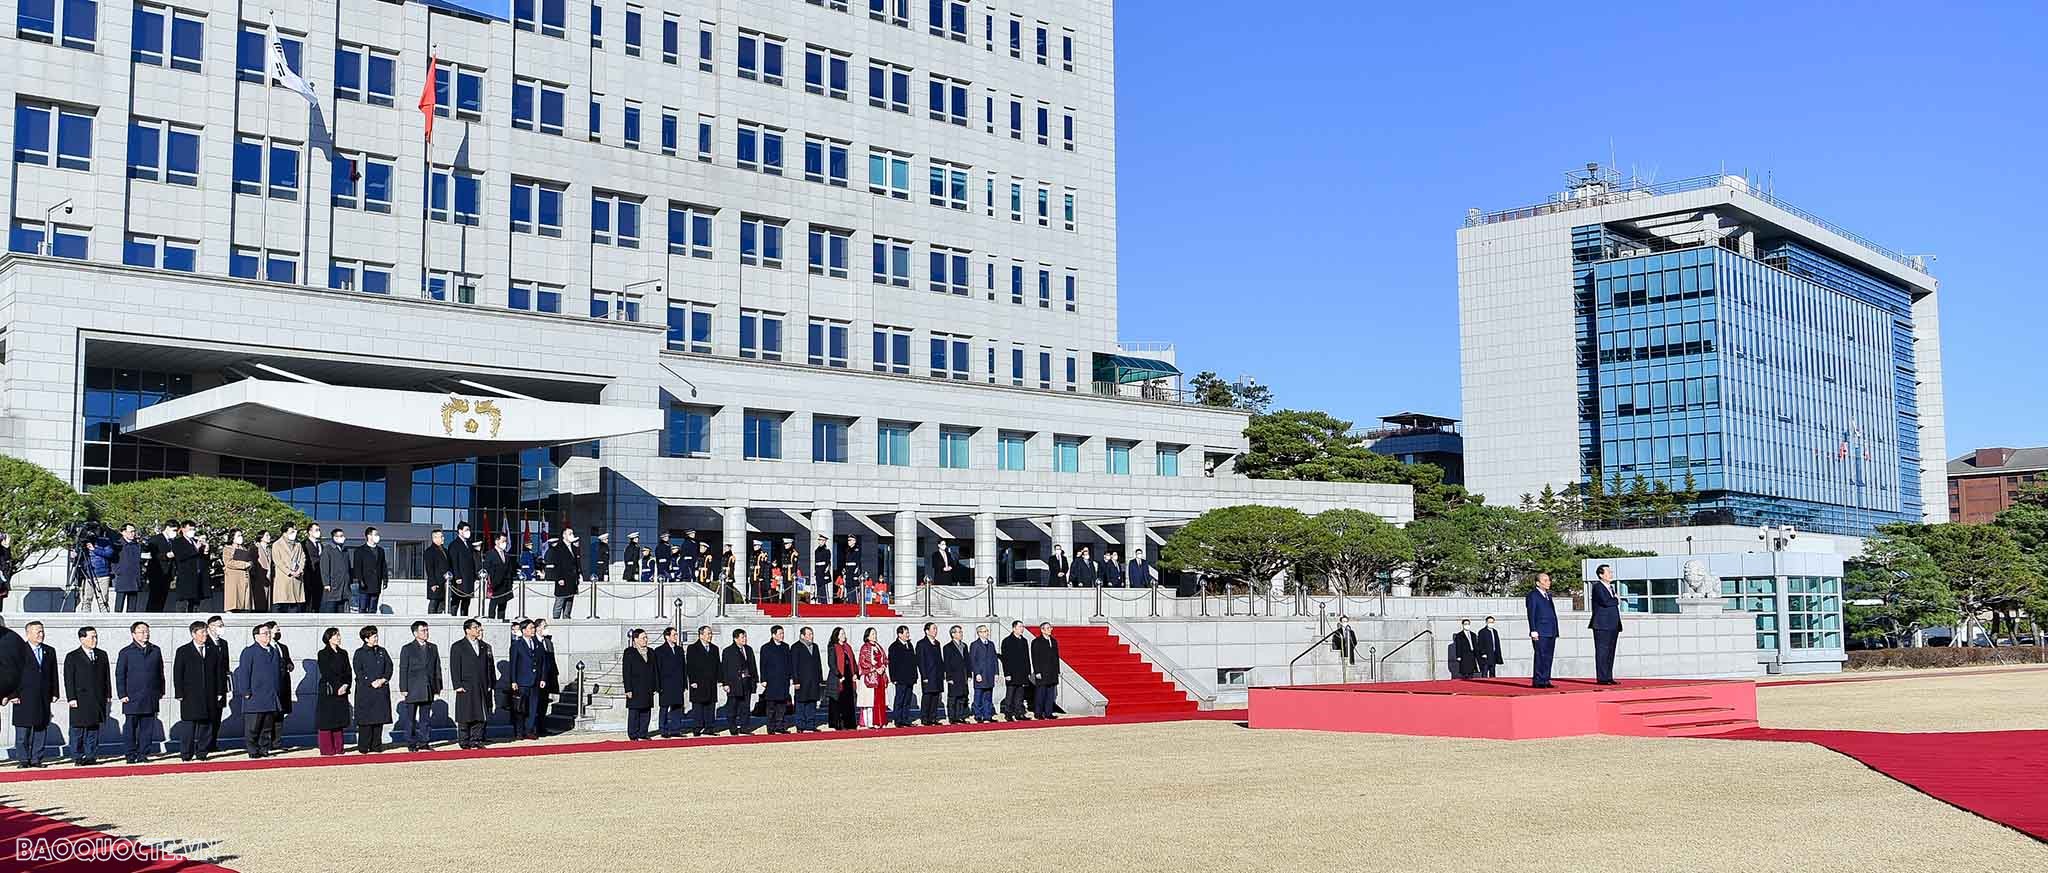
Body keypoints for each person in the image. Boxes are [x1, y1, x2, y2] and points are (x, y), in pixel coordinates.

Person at [172, 621, 225, 761]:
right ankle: (186, 754)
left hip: (209, 693)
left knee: (206, 725)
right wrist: (179, 693)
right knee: (189, 726)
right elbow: (178, 673)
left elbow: (219, 672)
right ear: (193, 634)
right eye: (202, 632)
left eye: (206, 632)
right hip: (190, 695)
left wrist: (220, 691)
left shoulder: (213, 650)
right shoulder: (183, 650)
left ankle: (202, 752)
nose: (205, 635)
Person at [232, 622, 284, 758]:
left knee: (267, 726)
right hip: (254, 695)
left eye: (269, 633)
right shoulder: (249, 651)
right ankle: (253, 750)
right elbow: (244, 673)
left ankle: (264, 748)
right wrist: (246, 691)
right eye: (265, 633)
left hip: (270, 696)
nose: (268, 636)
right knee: (253, 727)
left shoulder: (273, 651)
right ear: (256, 636)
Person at [115, 621, 163, 762]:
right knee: (130, 728)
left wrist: (160, 691)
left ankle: (143, 754)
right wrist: (122, 694)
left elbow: (160, 672)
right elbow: (120, 674)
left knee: (147, 728)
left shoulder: (155, 650)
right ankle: (130, 755)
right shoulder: (126, 652)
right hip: (132, 697)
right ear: (133, 634)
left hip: (150, 696)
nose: (145, 634)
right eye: (141, 631)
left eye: (147, 631)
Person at [64, 626, 110, 765]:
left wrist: (107, 694)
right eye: (91, 637)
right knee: (77, 729)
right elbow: (68, 679)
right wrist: (71, 698)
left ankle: (91, 756)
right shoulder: (72, 656)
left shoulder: (102, 655)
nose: (95, 640)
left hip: (97, 698)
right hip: (79, 698)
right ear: (82, 638)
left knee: (93, 728)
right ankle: (77, 756)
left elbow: (106, 677)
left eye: (96, 636)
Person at [449, 619, 494, 749]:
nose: (478, 630)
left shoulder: (484, 646)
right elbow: (455, 667)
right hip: (466, 685)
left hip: (482, 684)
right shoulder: (458, 646)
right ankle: (464, 740)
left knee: (480, 713)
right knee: (465, 713)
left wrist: (490, 682)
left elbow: (488, 666)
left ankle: (477, 739)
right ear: (467, 630)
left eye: (479, 627)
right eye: (475, 627)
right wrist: (457, 684)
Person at [398, 620, 441, 751]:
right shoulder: (407, 648)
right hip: (412, 688)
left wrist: (438, 686)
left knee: (425, 718)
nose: (426, 633)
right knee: (410, 719)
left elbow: (436, 668)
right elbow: (403, 668)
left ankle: (424, 741)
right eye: (423, 630)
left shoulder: (433, 647)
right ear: (415, 633)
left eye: (427, 630)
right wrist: (403, 688)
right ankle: (411, 743)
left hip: (428, 687)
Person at [352, 626, 393, 754]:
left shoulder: (382, 651)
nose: (376, 638)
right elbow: (358, 671)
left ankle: (376, 746)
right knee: (366, 721)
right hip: (366, 691)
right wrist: (371, 682)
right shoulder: (359, 653)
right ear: (366, 639)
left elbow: (389, 667)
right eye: (373, 636)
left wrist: (383, 679)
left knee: (379, 719)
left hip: (381, 690)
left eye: (376, 635)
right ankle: (364, 747)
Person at [314, 628, 351, 755]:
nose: (339, 637)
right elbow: (326, 672)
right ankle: (327, 749)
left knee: (339, 719)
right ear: (329, 638)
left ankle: (339, 748)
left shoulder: (343, 653)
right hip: (329, 691)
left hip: (343, 690)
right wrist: (338, 687)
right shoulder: (322, 653)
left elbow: (348, 671)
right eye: (336, 635)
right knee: (327, 720)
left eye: (339, 635)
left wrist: (346, 685)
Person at [508, 620, 545, 740]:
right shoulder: (517, 645)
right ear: (524, 630)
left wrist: (543, 678)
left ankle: (529, 730)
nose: (533, 630)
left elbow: (543, 662)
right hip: (522, 681)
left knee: (533, 707)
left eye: (534, 628)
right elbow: (513, 664)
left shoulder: (538, 644)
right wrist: (513, 681)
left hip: (535, 681)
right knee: (520, 708)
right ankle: (519, 731)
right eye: (530, 628)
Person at [685, 626, 721, 736]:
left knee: (710, 705)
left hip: (711, 682)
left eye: (711, 633)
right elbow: (690, 666)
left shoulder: (714, 648)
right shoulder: (692, 648)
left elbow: (718, 665)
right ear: (701, 635)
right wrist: (692, 681)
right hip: (698, 682)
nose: (710, 636)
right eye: (708, 633)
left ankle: (709, 727)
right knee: (698, 705)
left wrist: (720, 679)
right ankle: (697, 727)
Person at [1590, 564, 1623, 685]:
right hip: (1602, 625)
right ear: (1601, 575)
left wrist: (1614, 599)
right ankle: (1602, 678)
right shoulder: (1598, 587)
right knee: (1602, 652)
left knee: (1610, 652)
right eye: (1608, 572)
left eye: (1611, 572)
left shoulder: (1611, 588)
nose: (1611, 574)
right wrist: (1616, 600)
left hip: (1613, 624)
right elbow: (1606, 602)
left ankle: (1608, 676)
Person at [720, 628, 757, 735]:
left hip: (747, 682)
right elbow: (724, 668)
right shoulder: (728, 651)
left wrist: (755, 679)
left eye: (745, 636)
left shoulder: (748, 649)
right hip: (734, 683)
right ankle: (733, 727)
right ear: (736, 638)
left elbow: (753, 666)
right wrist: (725, 683)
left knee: (745, 707)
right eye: (742, 637)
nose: (745, 639)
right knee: (732, 707)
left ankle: (745, 727)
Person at [1525, 572, 1559, 689]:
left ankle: (1545, 679)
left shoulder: (1548, 595)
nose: (1548, 582)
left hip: (1551, 630)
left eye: (1548, 580)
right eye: (1545, 580)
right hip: (1540, 630)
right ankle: (1538, 680)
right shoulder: (1533, 595)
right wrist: (1533, 629)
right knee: (1541, 655)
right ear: (1538, 583)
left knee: (1548, 656)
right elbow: (1531, 613)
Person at [620, 629, 655, 740]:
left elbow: (654, 670)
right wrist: (628, 689)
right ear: (635, 639)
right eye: (643, 638)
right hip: (634, 687)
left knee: (646, 711)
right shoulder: (629, 652)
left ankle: (643, 733)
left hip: (648, 687)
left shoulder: (651, 651)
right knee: (634, 711)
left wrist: (655, 686)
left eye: (646, 637)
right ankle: (633, 734)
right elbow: (626, 672)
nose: (646, 640)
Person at [654, 626, 688, 738]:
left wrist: (684, 684)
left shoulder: (679, 650)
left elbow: (683, 667)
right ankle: (663, 730)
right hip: (665, 684)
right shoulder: (659, 650)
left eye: (676, 635)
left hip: (678, 684)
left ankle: (675, 729)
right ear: (667, 636)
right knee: (664, 707)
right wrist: (658, 686)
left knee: (677, 707)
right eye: (674, 635)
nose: (676, 637)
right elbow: (657, 669)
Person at [759, 625, 793, 734]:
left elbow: (789, 664)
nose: (782, 635)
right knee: (771, 706)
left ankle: (780, 726)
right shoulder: (766, 647)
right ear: (773, 635)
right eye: (779, 633)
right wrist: (763, 679)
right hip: (771, 681)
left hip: (783, 680)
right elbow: (762, 664)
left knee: (782, 706)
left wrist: (791, 677)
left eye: (783, 633)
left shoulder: (786, 647)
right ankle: (771, 727)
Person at [790, 626, 825, 732]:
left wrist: (820, 679)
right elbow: (794, 665)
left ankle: (811, 724)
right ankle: (800, 725)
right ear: (802, 635)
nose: (811, 636)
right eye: (809, 634)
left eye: (812, 634)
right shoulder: (796, 647)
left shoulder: (815, 646)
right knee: (801, 703)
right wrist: (795, 680)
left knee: (812, 702)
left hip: (813, 680)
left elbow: (818, 664)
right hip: (801, 681)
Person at [999, 621, 1033, 721]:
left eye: (1022, 627)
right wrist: (1007, 674)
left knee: (1020, 694)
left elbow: (1027, 657)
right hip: (1011, 673)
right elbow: (1005, 659)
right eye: (1019, 627)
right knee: (1010, 694)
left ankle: (1019, 713)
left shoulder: (1024, 641)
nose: (1022, 628)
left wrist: (1028, 671)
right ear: (1014, 628)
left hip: (1022, 673)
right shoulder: (1007, 641)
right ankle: (1008, 714)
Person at [546, 527, 583, 620]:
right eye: (569, 534)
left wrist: (579, 575)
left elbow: (576, 563)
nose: (572, 535)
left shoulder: (574, 548)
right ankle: (556, 619)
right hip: (562, 579)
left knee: (570, 600)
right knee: (560, 600)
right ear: (564, 535)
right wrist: (559, 578)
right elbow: (557, 565)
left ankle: (567, 618)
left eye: (572, 533)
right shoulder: (558, 548)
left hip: (572, 579)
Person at [172, 521, 209, 611]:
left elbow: (203, 559)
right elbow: (181, 556)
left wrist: (206, 550)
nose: (192, 531)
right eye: (190, 529)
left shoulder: (195, 541)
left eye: (193, 529)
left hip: (197, 575)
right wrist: (196, 548)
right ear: (183, 529)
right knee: (183, 602)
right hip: (186, 575)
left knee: (196, 603)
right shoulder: (178, 542)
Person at [825, 628, 858, 730]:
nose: (844, 635)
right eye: (841, 633)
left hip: (848, 677)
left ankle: (850, 723)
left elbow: (853, 661)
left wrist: (856, 673)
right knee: (838, 702)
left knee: (849, 701)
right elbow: (832, 664)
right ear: (837, 635)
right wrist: (839, 675)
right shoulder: (833, 647)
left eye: (844, 633)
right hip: (838, 679)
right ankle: (839, 723)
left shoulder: (848, 647)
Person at [886, 625, 918, 728]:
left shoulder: (910, 645)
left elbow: (913, 661)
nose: (908, 635)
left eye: (908, 632)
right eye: (906, 633)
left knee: (907, 700)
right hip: (900, 678)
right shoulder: (894, 647)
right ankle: (898, 720)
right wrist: (893, 678)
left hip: (910, 677)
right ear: (900, 634)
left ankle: (905, 719)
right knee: (900, 699)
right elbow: (892, 664)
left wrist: (915, 676)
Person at [270, 524, 307, 614]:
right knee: (282, 603)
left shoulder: (298, 544)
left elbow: (303, 558)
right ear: (284, 533)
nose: (294, 533)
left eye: (295, 531)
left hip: (297, 578)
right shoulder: (277, 544)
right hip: (284, 578)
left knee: (294, 605)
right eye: (291, 532)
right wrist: (289, 572)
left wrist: (300, 569)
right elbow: (278, 561)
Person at [857, 627, 888, 729]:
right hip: (869, 676)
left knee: (878, 700)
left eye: (875, 634)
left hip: (879, 677)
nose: (875, 636)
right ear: (867, 636)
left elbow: (885, 659)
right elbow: (863, 662)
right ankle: (868, 721)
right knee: (868, 701)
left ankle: (878, 721)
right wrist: (874, 668)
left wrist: (882, 667)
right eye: (872, 634)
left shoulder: (878, 646)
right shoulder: (864, 647)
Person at [353, 528, 389, 614]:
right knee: (363, 608)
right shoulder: (360, 550)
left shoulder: (380, 550)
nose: (377, 536)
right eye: (375, 534)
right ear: (369, 536)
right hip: (365, 584)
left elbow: (383, 565)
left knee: (373, 608)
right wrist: (360, 580)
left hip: (376, 583)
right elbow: (357, 567)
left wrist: (385, 579)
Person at [533, 618, 560, 735]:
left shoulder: (548, 642)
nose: (545, 629)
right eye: (544, 626)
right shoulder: (533, 641)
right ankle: (533, 727)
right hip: (536, 678)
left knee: (544, 703)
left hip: (547, 676)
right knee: (535, 704)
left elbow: (551, 659)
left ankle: (542, 726)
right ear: (537, 628)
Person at [111, 524, 146, 612]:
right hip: (123, 577)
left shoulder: (137, 545)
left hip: (135, 578)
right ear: (123, 532)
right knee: (119, 607)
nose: (133, 534)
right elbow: (113, 560)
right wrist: (118, 571)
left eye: (134, 531)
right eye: (130, 531)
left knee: (132, 607)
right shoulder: (117, 544)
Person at [968, 625, 998, 723]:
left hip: (989, 674)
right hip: (980, 675)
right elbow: (973, 660)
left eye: (987, 631)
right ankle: (978, 715)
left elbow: (994, 660)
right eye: (984, 631)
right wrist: (977, 673)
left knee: (988, 697)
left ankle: (987, 715)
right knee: (978, 696)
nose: (987, 633)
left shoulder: (991, 644)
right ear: (979, 633)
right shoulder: (974, 644)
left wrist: (996, 673)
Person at [914, 623, 943, 726]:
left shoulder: (937, 643)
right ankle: (925, 718)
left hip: (937, 675)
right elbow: (921, 661)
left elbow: (940, 659)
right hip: (928, 675)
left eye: (936, 629)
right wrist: (924, 676)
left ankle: (933, 717)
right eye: (933, 629)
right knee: (927, 696)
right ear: (927, 631)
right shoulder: (921, 644)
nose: (935, 631)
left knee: (936, 696)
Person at [448, 522, 480, 617]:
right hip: (460, 578)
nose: (468, 532)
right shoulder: (454, 545)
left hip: (469, 578)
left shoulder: (469, 544)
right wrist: (457, 576)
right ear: (460, 531)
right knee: (456, 600)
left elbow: (473, 560)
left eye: (469, 530)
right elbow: (453, 562)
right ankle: (452, 617)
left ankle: (464, 618)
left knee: (466, 601)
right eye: (466, 530)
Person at [1029, 623, 1060, 719]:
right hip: (1042, 672)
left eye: (1050, 628)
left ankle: (1048, 713)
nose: (1049, 630)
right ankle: (1038, 713)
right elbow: (1035, 658)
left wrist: (1057, 670)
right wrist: (1037, 671)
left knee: (1050, 694)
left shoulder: (1054, 641)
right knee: (1041, 694)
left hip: (1052, 672)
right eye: (1047, 628)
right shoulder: (1036, 642)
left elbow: (1056, 657)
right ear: (1042, 630)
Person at [482, 533, 516, 620]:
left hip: (505, 584)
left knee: (503, 606)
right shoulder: (490, 553)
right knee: (493, 604)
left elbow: (509, 569)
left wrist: (510, 583)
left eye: (505, 541)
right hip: (495, 584)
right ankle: (491, 620)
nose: (504, 543)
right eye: (503, 541)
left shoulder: (506, 554)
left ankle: (501, 620)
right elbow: (487, 568)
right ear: (497, 541)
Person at [144, 521, 176, 611]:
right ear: (167, 528)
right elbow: (152, 555)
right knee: (154, 598)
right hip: (157, 572)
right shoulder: (156, 539)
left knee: (162, 598)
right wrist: (166, 555)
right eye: (174, 530)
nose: (175, 533)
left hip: (168, 573)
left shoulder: (172, 541)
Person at [221, 530, 256, 612]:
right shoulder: (227, 549)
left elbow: (250, 560)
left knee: (244, 599)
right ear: (232, 537)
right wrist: (243, 564)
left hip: (245, 576)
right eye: (238, 536)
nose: (241, 537)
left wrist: (250, 564)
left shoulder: (244, 549)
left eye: (241, 535)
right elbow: (228, 562)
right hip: (233, 577)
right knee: (234, 598)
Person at [942, 625, 970, 725]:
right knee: (953, 698)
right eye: (959, 632)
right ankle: (952, 717)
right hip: (953, 676)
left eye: (961, 632)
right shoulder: (947, 647)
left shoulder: (964, 646)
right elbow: (947, 663)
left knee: (963, 697)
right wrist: (948, 677)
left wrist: (969, 674)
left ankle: (961, 716)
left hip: (963, 675)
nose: (961, 634)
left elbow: (967, 661)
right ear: (953, 634)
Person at [79, 528, 113, 613]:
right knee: (87, 599)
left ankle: (105, 617)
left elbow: (109, 553)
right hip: (88, 574)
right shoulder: (82, 543)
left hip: (102, 574)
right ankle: (85, 617)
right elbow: (78, 558)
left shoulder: (104, 541)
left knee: (103, 600)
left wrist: (94, 549)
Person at [319, 528, 352, 613]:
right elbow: (324, 568)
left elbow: (348, 568)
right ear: (334, 537)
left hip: (344, 588)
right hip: (333, 587)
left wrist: (349, 582)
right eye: (340, 536)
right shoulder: (328, 549)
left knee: (341, 612)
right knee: (330, 611)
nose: (343, 538)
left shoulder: (345, 551)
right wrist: (326, 583)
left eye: (343, 536)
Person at [423, 529, 452, 615]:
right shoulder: (430, 551)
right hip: (436, 582)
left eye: (443, 536)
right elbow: (429, 569)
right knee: (434, 603)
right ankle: (430, 621)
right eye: (441, 537)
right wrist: (433, 583)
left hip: (445, 583)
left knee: (442, 605)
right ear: (434, 538)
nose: (443, 538)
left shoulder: (445, 551)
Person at [301, 524, 325, 614]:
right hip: (309, 575)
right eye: (316, 530)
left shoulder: (321, 545)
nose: (318, 532)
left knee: (317, 600)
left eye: (319, 530)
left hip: (319, 576)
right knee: (308, 600)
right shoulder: (304, 544)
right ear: (310, 532)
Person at [252, 529, 274, 611]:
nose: (269, 537)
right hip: (259, 577)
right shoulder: (256, 548)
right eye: (267, 535)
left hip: (268, 577)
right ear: (261, 537)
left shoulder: (269, 550)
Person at [811, 537, 834, 604]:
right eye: (819, 540)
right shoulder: (816, 550)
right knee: (819, 588)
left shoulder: (827, 550)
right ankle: (820, 601)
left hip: (824, 572)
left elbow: (828, 563)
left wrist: (826, 573)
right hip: (818, 572)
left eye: (821, 540)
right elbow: (816, 562)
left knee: (824, 589)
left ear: (824, 541)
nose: (820, 542)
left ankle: (825, 602)